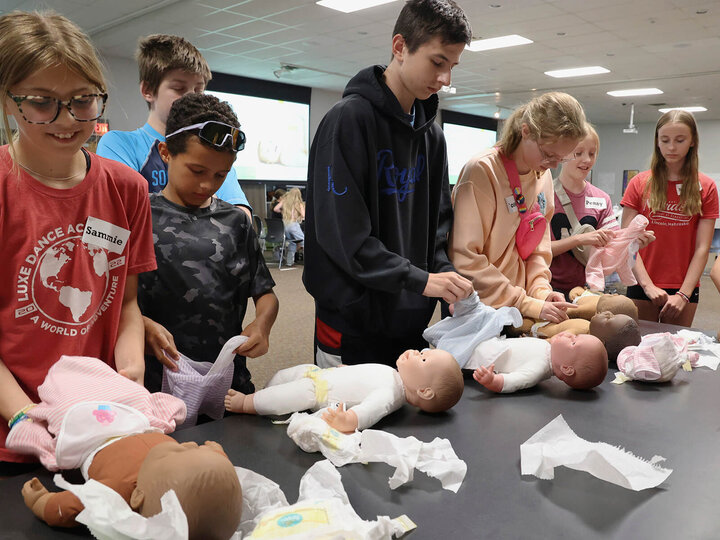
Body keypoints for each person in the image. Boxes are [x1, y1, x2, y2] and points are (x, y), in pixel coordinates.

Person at [0, 11, 156, 475]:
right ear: (9, 101)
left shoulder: (127, 188)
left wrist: (130, 373)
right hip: (15, 431)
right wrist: (26, 416)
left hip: (98, 421)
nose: (66, 120)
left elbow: (126, 304)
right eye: (42, 102)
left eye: (83, 100)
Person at [303, 0, 474, 368]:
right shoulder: (347, 121)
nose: (446, 79)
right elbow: (344, 238)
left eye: (452, 66)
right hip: (352, 323)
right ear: (400, 47)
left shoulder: (434, 138)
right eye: (437, 62)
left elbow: (438, 232)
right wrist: (419, 279)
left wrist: (443, 273)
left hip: (411, 319)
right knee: (343, 421)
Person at [138, 93, 278, 395]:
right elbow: (112, 301)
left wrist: (262, 325)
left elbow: (265, 294)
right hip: (157, 383)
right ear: (166, 152)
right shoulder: (138, 215)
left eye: (220, 175)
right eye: (197, 171)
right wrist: (139, 325)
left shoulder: (236, 222)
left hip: (226, 380)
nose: (207, 185)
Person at [449, 92, 587, 325]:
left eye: (561, 159)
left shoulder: (542, 175)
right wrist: (527, 303)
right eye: (548, 154)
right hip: (480, 311)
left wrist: (542, 291)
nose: (553, 165)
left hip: (524, 308)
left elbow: (538, 250)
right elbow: (466, 260)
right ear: (526, 132)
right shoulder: (482, 171)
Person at [96, 34, 251, 217]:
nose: (192, 97)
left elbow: (241, 217)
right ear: (147, 90)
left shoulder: (213, 151)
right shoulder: (120, 144)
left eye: (198, 90)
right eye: (179, 88)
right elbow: (124, 214)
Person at [22, 437, 241, 539]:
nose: (191, 444)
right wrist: (215, 452)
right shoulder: (180, 477)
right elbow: (215, 476)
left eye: (180, 451)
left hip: (99, 437)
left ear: (137, 496)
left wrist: (41, 501)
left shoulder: (116, 492)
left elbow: (65, 509)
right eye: (198, 449)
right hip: (145, 424)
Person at [621, 110, 718, 326]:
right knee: (638, 350)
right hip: (642, 281)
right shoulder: (639, 183)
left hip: (685, 286)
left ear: (692, 141)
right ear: (657, 141)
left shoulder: (707, 187)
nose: (671, 147)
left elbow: (703, 247)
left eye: (680, 140)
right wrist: (647, 286)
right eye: (665, 140)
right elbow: (626, 241)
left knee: (675, 352)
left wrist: (683, 295)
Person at [224, 348, 463, 433]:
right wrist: (349, 372)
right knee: (282, 377)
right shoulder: (394, 377)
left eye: (422, 359)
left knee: (285, 397)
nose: (414, 352)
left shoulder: (391, 394)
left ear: (425, 391)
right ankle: (265, 394)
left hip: (317, 392)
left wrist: (349, 419)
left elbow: (369, 411)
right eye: (422, 351)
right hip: (322, 375)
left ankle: (247, 403)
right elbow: (365, 376)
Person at [549, 124, 619, 297]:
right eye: (578, 153)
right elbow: (538, 250)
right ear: (562, 154)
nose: (587, 160)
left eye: (592, 153)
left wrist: (633, 238)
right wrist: (579, 239)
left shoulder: (602, 199)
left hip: (587, 292)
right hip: (547, 290)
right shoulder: (543, 195)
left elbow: (613, 247)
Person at [470, 333, 608, 393]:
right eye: (575, 335)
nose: (570, 335)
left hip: (476, 354)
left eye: (573, 342)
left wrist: (492, 380)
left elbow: (512, 381)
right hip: (487, 341)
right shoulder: (547, 348)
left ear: (566, 368)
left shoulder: (538, 368)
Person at [273, 187, 305, 267]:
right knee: (304, 242)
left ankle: (289, 262)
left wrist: (283, 211)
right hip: (293, 224)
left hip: (285, 224)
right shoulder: (299, 203)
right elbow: (304, 215)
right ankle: (309, 261)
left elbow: (275, 209)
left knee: (292, 242)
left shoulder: (285, 202)